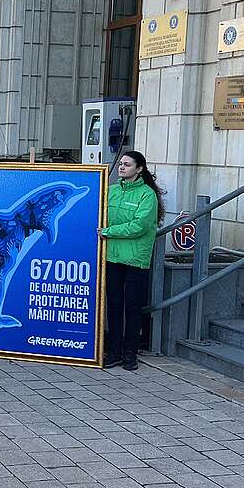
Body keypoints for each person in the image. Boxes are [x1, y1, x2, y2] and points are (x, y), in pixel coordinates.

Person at [99, 150, 163, 371]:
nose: (122, 167)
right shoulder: (112, 191)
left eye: (127, 164)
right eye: (121, 164)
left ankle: (130, 354)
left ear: (139, 169)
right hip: (112, 257)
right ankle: (114, 351)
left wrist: (108, 232)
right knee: (114, 307)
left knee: (133, 308)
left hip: (135, 259)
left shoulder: (147, 195)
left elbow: (139, 226)